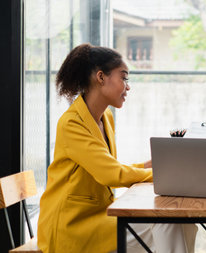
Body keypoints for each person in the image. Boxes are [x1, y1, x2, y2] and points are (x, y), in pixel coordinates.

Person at [37, 44, 197, 253]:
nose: (128, 86)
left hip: (100, 217)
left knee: (182, 222)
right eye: (124, 78)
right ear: (101, 77)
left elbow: (109, 166)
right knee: (166, 221)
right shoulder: (72, 124)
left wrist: (153, 165)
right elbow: (111, 174)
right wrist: (161, 174)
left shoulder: (105, 117)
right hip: (73, 227)